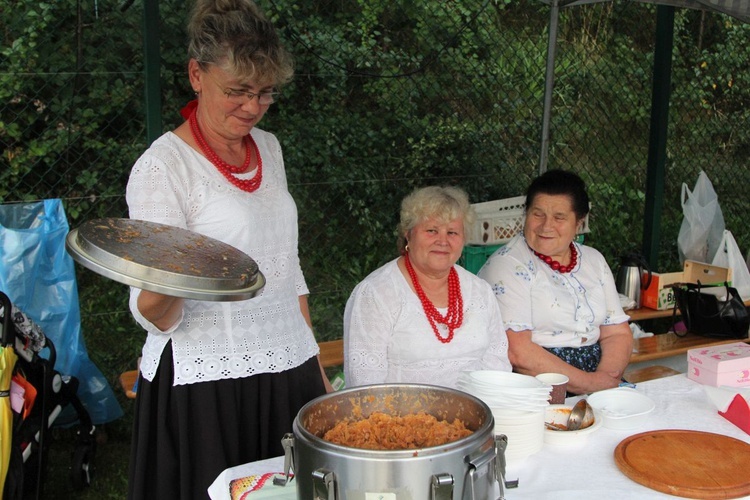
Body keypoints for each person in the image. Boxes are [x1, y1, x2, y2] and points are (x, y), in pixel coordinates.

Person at [124, 1, 330, 498]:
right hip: (208, 380)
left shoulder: (270, 148)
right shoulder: (163, 168)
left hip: (288, 367)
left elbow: (287, 268)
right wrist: (181, 273)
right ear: (196, 75)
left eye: (264, 93)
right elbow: (152, 310)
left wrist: (315, 364)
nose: (252, 107)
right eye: (237, 91)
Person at [478, 170, 632, 395]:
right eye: (537, 214)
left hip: (598, 378)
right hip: (538, 383)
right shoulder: (507, 264)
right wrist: (589, 384)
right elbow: (518, 352)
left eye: (559, 217)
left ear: (578, 223)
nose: (546, 226)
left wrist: (606, 379)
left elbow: (617, 333)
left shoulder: (593, 260)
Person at [344, 186, 511, 389]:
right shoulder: (377, 294)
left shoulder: (480, 291)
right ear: (408, 234)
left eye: (452, 232)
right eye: (431, 230)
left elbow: (498, 365)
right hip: (398, 418)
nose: (443, 241)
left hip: (475, 415)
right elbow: (365, 385)